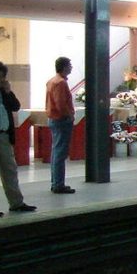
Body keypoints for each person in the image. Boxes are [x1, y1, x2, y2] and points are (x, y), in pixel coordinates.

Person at [0, 62, 36, 216]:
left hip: (3, 135)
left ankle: (16, 202)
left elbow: (15, 106)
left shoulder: (4, 91)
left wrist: (8, 91)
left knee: (10, 170)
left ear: (4, 79)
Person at [46, 56, 76, 194]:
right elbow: (60, 104)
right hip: (61, 120)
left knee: (56, 151)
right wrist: (69, 115)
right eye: (70, 65)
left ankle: (56, 182)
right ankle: (58, 184)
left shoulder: (51, 81)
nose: (71, 67)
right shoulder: (60, 83)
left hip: (53, 119)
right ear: (64, 67)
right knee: (60, 153)